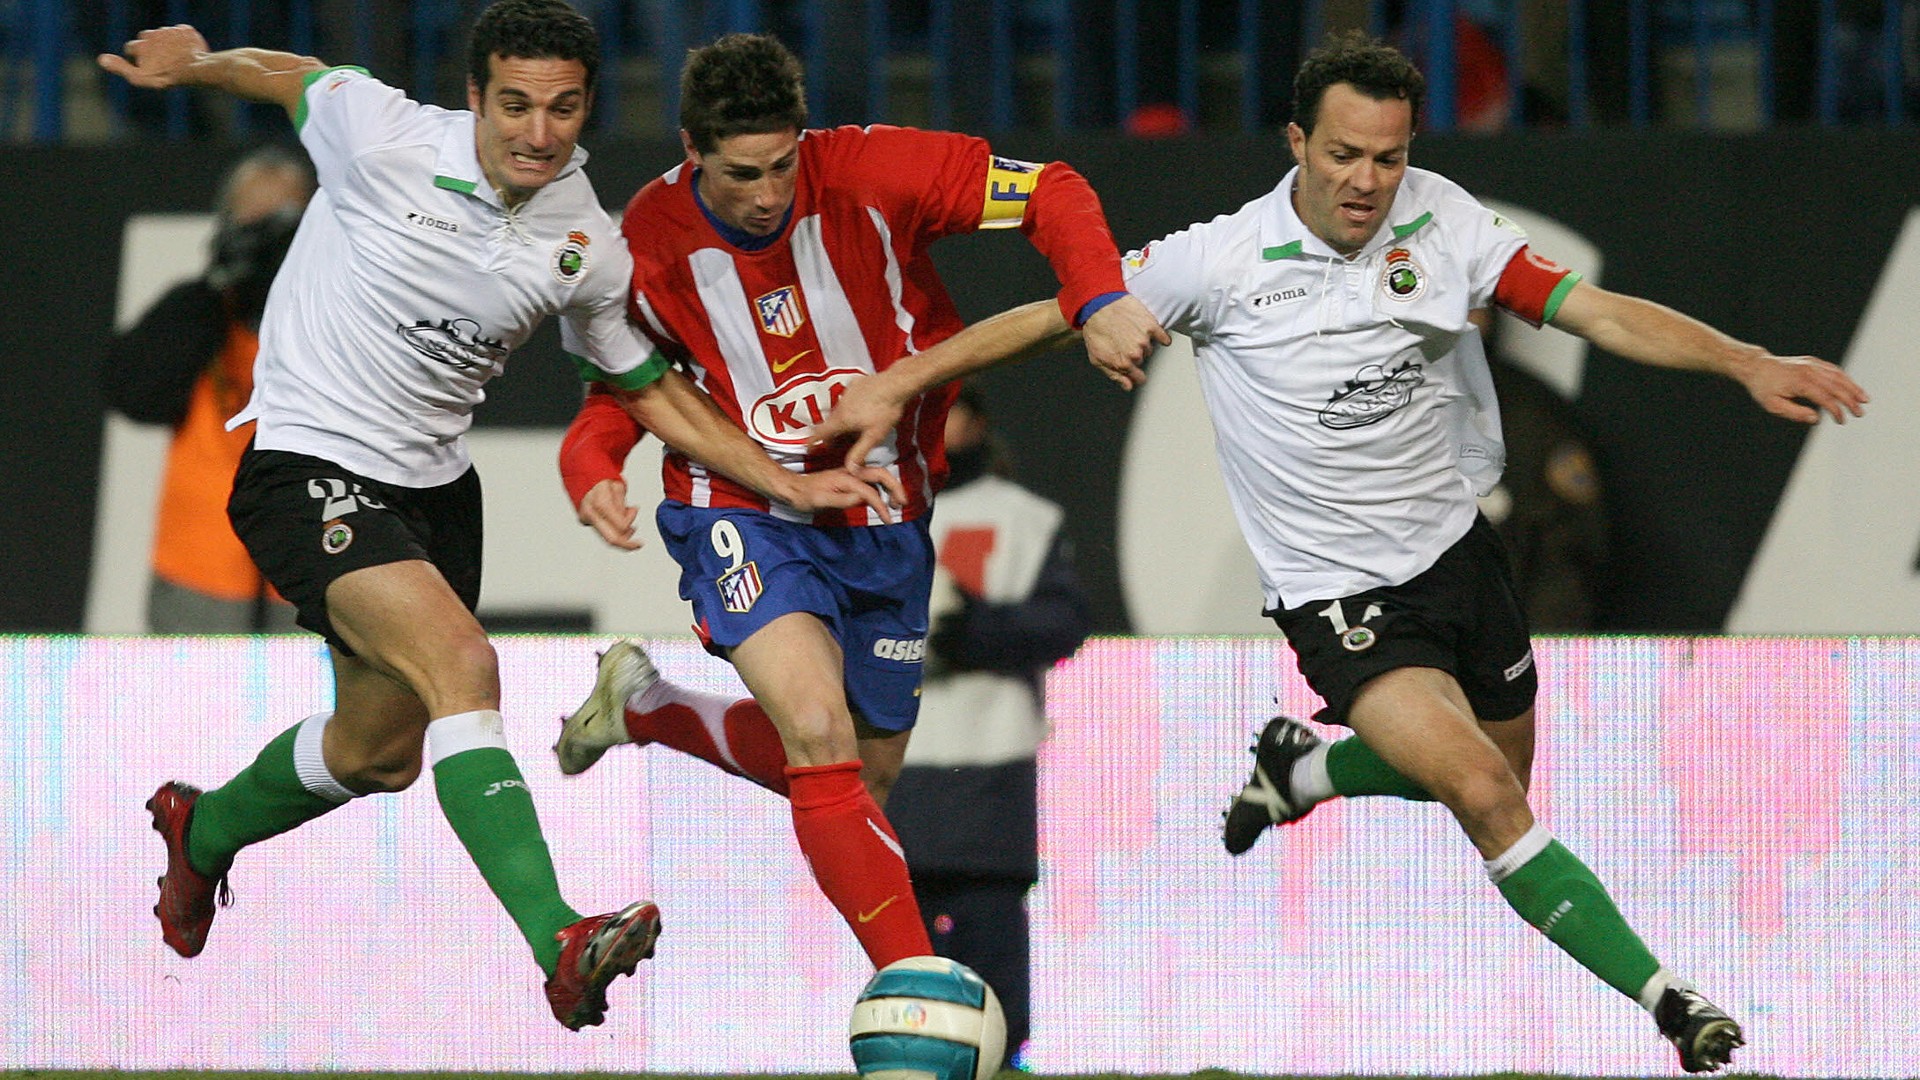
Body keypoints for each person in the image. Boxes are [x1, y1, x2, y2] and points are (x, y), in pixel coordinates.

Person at [809, 31, 1869, 1075]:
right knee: (1488, 798)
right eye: (1344, 155)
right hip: (1337, 597)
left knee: (1496, 771)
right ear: (1296, 144)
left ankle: (1302, 766)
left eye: (1390, 157)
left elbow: (1591, 311)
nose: (1368, 182)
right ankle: (1672, 1001)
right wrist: (904, 382)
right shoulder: (1217, 259)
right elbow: (1048, 315)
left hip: (1461, 556)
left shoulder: (1447, 222)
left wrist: (1744, 360)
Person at [98, 0, 897, 1032]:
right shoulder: (383, 134)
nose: (537, 131)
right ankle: (560, 940)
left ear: (586, 108)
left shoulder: (588, 244)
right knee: (465, 671)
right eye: (514, 104)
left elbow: (644, 383)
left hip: (435, 492)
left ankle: (201, 831)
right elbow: (291, 75)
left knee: (377, 752)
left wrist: (784, 482)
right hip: (304, 461)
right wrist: (202, 63)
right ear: (474, 96)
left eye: (562, 109)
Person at [553, 31, 1164, 975]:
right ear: (690, 150)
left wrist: (1094, 295)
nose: (766, 194)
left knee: (856, 775)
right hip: (739, 504)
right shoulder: (640, 241)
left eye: (783, 165)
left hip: (885, 513)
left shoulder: (878, 170)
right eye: (740, 173)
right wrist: (590, 463)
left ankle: (651, 711)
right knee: (819, 729)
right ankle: (918, 990)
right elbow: (624, 389)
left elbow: (1051, 187)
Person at [886, 384, 1091, 1063]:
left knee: (990, 914)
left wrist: (972, 630)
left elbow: (1063, 623)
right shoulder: (875, 514)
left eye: (946, 419)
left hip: (991, 744)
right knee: (899, 919)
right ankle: (907, 1051)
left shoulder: (1024, 517)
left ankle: (999, 1053)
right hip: (897, 748)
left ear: (976, 423)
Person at [103, 145, 313, 632]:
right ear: (225, 225)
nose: (267, 241)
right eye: (252, 223)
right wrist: (217, 288)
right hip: (204, 573)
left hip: (312, 570)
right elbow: (136, 394)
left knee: (314, 707)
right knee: (198, 708)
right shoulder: (198, 311)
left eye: (283, 224)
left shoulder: (339, 316)